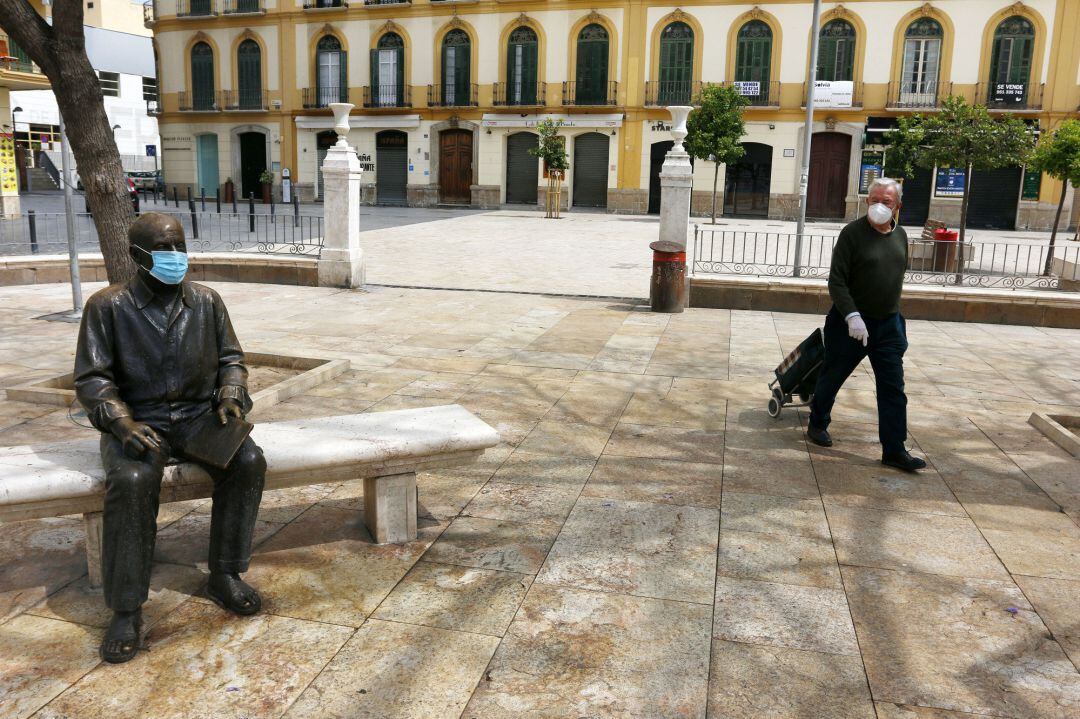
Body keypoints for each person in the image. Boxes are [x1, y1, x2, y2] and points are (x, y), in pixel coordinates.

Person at [74, 213, 266, 664]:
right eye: (165, 251)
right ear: (139, 257)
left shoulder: (207, 302)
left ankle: (225, 574)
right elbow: (93, 380)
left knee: (249, 461)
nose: (176, 259)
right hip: (141, 421)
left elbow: (232, 359)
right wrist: (121, 423)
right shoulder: (108, 307)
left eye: (179, 248)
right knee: (134, 481)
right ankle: (126, 608)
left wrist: (231, 394)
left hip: (200, 417)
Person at [805, 177, 927, 473]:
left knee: (893, 388)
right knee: (833, 375)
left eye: (886, 202)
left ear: (898, 206)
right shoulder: (852, 234)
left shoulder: (900, 236)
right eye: (874, 200)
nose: (879, 206)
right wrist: (851, 315)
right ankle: (817, 422)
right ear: (866, 201)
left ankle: (894, 449)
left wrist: (896, 322)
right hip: (850, 324)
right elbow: (837, 280)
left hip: (887, 326)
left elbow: (893, 279)